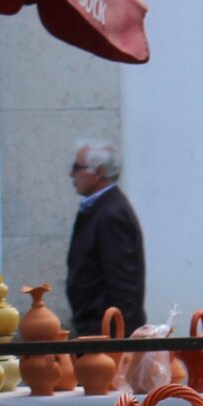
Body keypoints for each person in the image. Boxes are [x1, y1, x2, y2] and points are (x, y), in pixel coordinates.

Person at [63, 139, 144, 336]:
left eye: (77, 167)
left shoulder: (111, 214)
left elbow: (124, 286)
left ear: (98, 172)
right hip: (94, 327)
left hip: (104, 332)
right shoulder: (99, 208)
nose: (71, 174)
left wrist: (117, 340)